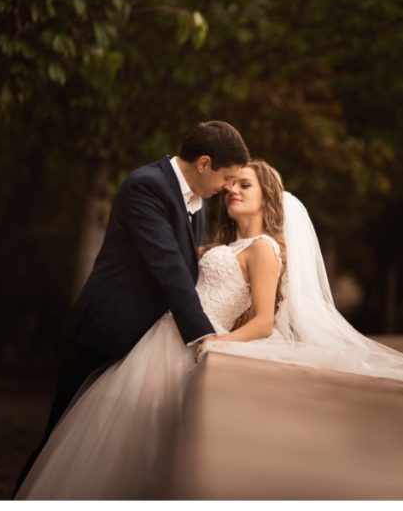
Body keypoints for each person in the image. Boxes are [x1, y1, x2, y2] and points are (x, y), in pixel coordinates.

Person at [16, 160, 403, 499]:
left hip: (194, 341)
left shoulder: (264, 249)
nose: (232, 191)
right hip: (161, 337)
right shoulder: (222, 245)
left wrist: (216, 341)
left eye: (245, 185)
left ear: (268, 198)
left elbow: (262, 322)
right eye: (230, 185)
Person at [13, 120, 250, 497]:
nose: (226, 188)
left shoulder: (198, 203)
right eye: (226, 177)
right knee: (61, 443)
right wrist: (205, 333)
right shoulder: (147, 186)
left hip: (144, 343)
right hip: (104, 334)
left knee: (104, 447)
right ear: (204, 163)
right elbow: (168, 265)